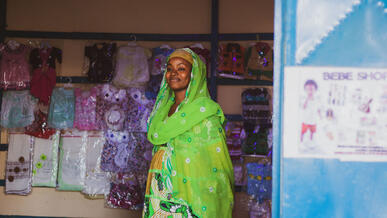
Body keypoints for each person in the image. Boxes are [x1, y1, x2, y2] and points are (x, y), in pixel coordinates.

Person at [143, 48, 234, 218]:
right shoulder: (161, 110)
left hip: (192, 195)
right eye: (169, 69)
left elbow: (217, 166)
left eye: (181, 68)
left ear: (194, 74)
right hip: (160, 186)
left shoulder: (205, 113)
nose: (173, 73)